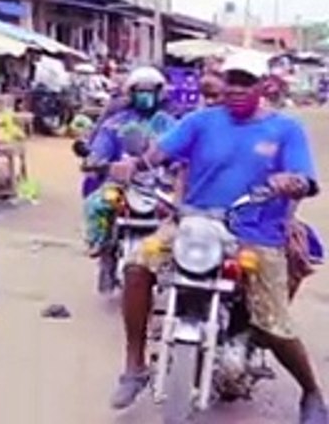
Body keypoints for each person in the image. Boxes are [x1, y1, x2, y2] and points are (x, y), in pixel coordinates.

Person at [107, 51, 327, 423]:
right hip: (192, 223)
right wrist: (135, 163)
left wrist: (292, 181)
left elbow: (305, 179)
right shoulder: (200, 122)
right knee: (136, 265)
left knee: (271, 322)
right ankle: (135, 364)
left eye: (246, 82)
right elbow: (160, 152)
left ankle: (312, 392)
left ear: (264, 86)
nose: (237, 89)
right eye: (232, 81)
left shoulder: (285, 130)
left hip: (256, 234)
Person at [79, 67, 178, 273]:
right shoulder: (115, 123)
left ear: (159, 93)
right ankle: (100, 243)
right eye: (140, 91)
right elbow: (100, 149)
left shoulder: (170, 124)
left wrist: (178, 165)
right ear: (131, 93)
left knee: (181, 221)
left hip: (161, 188)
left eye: (150, 91)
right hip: (122, 184)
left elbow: (181, 150)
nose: (145, 95)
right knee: (97, 203)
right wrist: (95, 160)